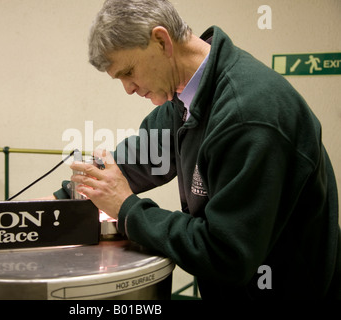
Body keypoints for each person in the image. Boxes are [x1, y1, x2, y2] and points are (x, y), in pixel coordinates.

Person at [54, 0, 341, 299]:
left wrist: (128, 211)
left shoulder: (248, 116)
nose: (128, 88)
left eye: (128, 72)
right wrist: (60, 204)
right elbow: (138, 159)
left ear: (162, 41)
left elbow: (226, 254)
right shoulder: (185, 95)